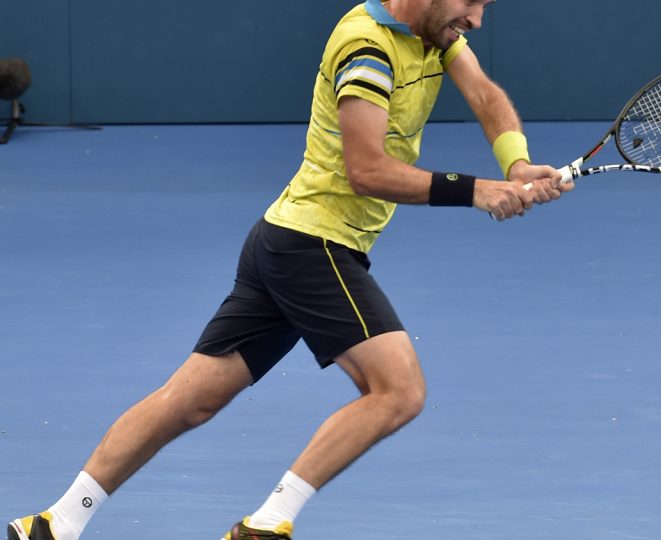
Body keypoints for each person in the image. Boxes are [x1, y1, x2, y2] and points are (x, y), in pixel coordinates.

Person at [7, 0, 572, 539]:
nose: (475, 19)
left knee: (188, 401)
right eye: (469, 3)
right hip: (313, 245)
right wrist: (477, 191)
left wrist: (515, 163)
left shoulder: (434, 34)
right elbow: (366, 171)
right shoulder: (367, 48)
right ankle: (266, 523)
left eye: (486, 8)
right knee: (397, 390)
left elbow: (485, 94)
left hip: (283, 241)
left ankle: (54, 524)